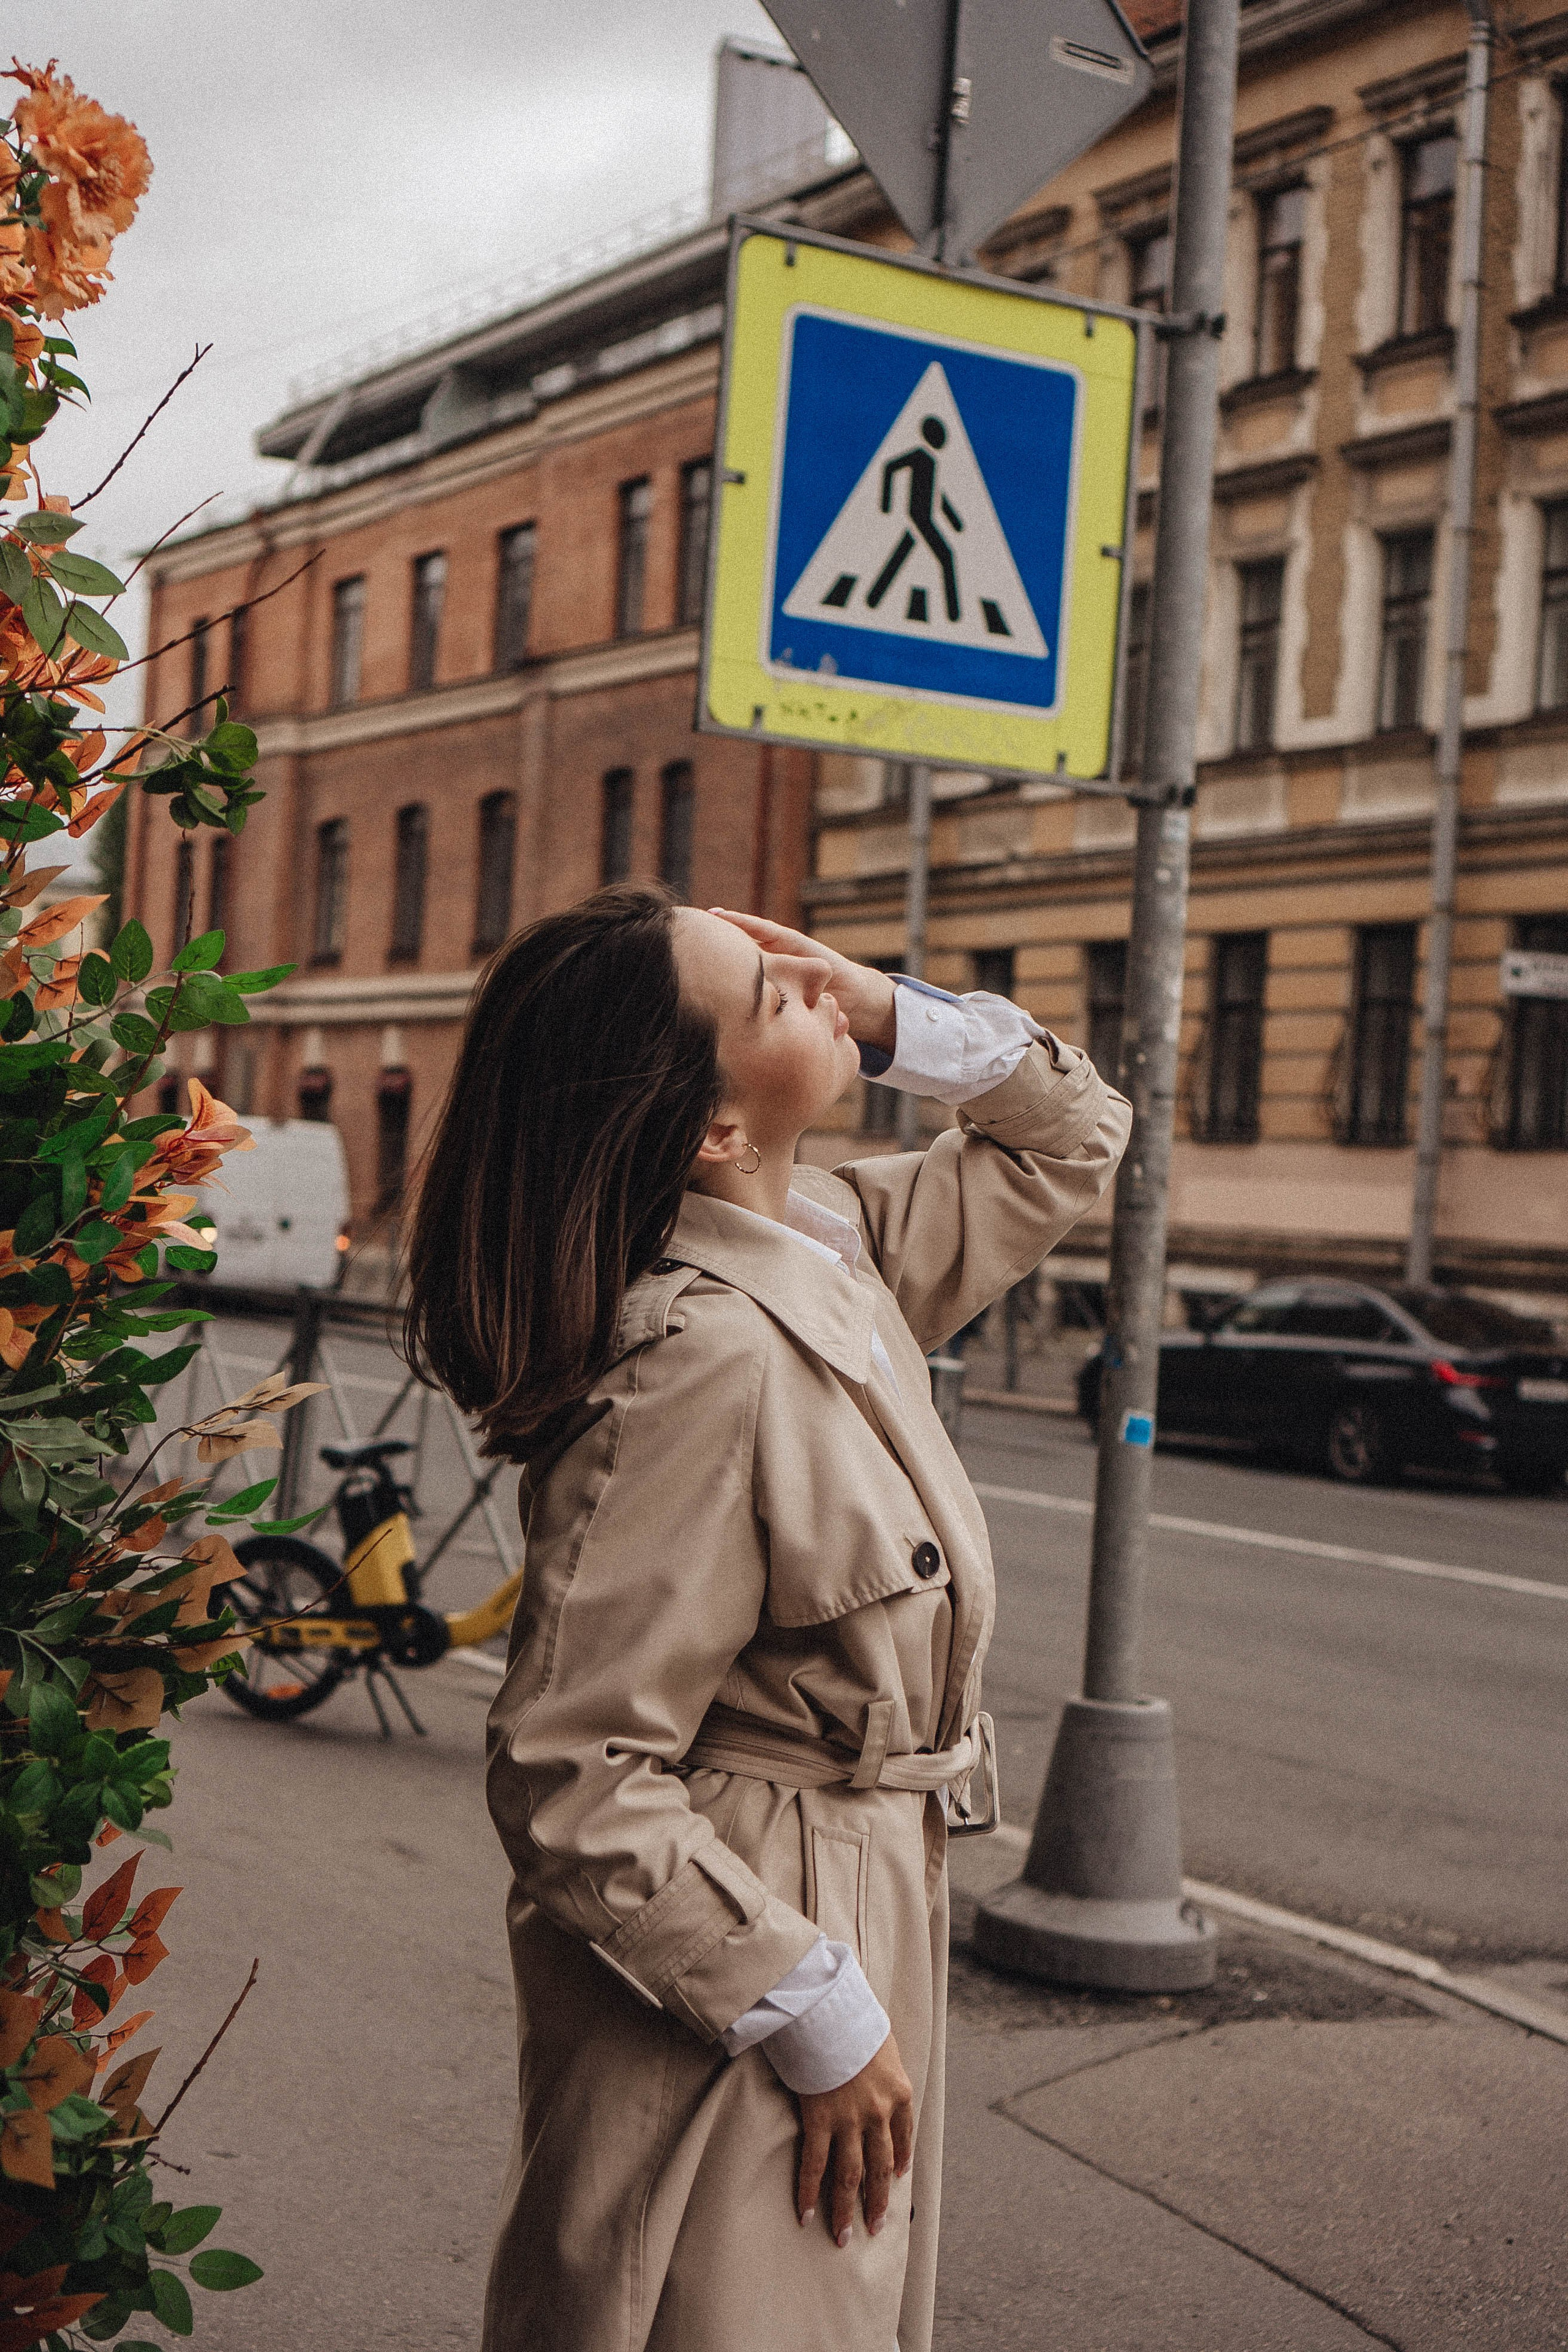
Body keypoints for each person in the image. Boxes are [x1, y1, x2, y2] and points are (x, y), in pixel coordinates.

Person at [404, 884, 1130, 2352]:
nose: (814, 985)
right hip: (751, 1932)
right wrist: (808, 2006)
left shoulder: (833, 1254)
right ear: (709, 1132)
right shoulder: (696, 1358)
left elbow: (1071, 1134)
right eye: (769, 994)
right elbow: (568, 1768)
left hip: (856, 1894)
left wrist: (875, 1009)